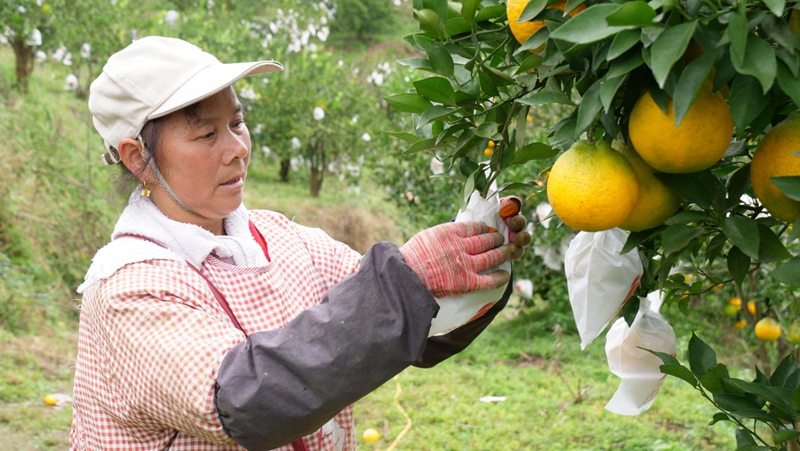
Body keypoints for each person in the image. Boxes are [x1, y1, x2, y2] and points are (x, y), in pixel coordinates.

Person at [71, 36, 528, 451]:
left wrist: (478, 259)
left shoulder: (280, 239)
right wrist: (410, 278)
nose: (237, 148)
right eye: (207, 134)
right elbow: (246, 402)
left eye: (237, 122)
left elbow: (402, 326)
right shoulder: (129, 287)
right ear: (139, 158)